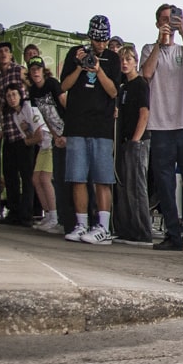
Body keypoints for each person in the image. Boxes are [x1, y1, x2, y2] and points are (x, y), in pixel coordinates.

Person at [141, 5, 183, 251]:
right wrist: (160, 42)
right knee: (165, 184)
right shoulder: (150, 49)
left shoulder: (182, 49)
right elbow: (146, 73)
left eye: (171, 20)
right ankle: (173, 234)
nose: (167, 24)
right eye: (163, 20)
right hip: (160, 127)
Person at [60, 17, 121, 243]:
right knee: (77, 177)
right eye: (97, 40)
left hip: (102, 126)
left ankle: (103, 227)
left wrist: (98, 68)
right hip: (77, 124)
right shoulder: (75, 53)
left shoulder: (113, 58)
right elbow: (63, 86)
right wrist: (79, 65)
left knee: (102, 179)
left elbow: (114, 92)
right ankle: (81, 224)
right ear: (90, 36)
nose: (101, 45)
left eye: (105, 40)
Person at [112, 44, 155, 243]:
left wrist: (135, 140)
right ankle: (127, 228)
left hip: (137, 142)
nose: (125, 63)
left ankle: (142, 231)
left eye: (128, 60)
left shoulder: (140, 84)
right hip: (124, 140)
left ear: (135, 61)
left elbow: (144, 113)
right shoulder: (123, 86)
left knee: (137, 187)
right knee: (124, 186)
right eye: (122, 60)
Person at [25, 60, 63, 231]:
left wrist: (66, 131)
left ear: (43, 70)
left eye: (38, 69)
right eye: (32, 70)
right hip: (49, 136)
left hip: (63, 128)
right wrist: (55, 135)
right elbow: (43, 114)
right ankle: (48, 214)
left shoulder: (52, 84)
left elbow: (64, 103)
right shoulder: (33, 91)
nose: (36, 72)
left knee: (46, 178)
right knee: (36, 179)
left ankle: (55, 215)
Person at [0, 81, 41, 227]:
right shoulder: (10, 112)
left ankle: (27, 213)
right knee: (11, 178)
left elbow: (36, 131)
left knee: (27, 178)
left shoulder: (27, 107)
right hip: (11, 142)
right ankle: (14, 211)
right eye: (9, 95)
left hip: (26, 144)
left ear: (20, 95)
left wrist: (28, 142)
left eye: (14, 94)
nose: (12, 98)